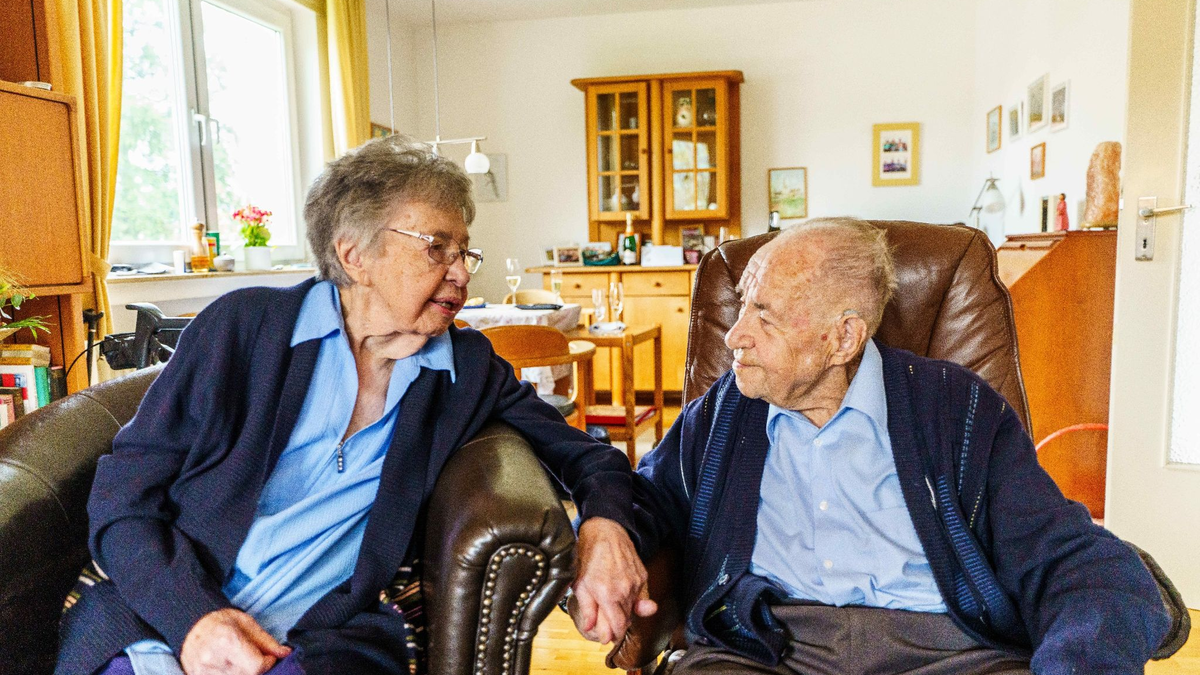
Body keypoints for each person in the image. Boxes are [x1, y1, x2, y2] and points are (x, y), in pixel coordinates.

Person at [56, 135, 652, 675]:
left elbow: (588, 456)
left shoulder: (464, 368)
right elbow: (123, 496)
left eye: (464, 252)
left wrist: (603, 527)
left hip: (317, 637)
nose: (460, 274)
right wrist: (194, 619)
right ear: (353, 255)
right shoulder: (242, 329)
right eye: (435, 248)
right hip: (171, 614)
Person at [617, 218, 1172, 674]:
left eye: (764, 315)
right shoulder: (724, 411)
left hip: (947, 653)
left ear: (844, 337)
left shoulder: (956, 409)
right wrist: (600, 532)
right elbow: (643, 502)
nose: (736, 335)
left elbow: (1068, 559)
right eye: (742, 306)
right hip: (768, 647)